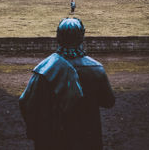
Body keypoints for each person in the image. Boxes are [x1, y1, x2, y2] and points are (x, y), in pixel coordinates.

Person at [19, 17, 115, 150]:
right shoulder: (96, 68)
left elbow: (25, 101)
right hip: (87, 137)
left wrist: (38, 130)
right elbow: (108, 102)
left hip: (53, 139)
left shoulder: (45, 68)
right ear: (82, 37)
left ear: (58, 37)